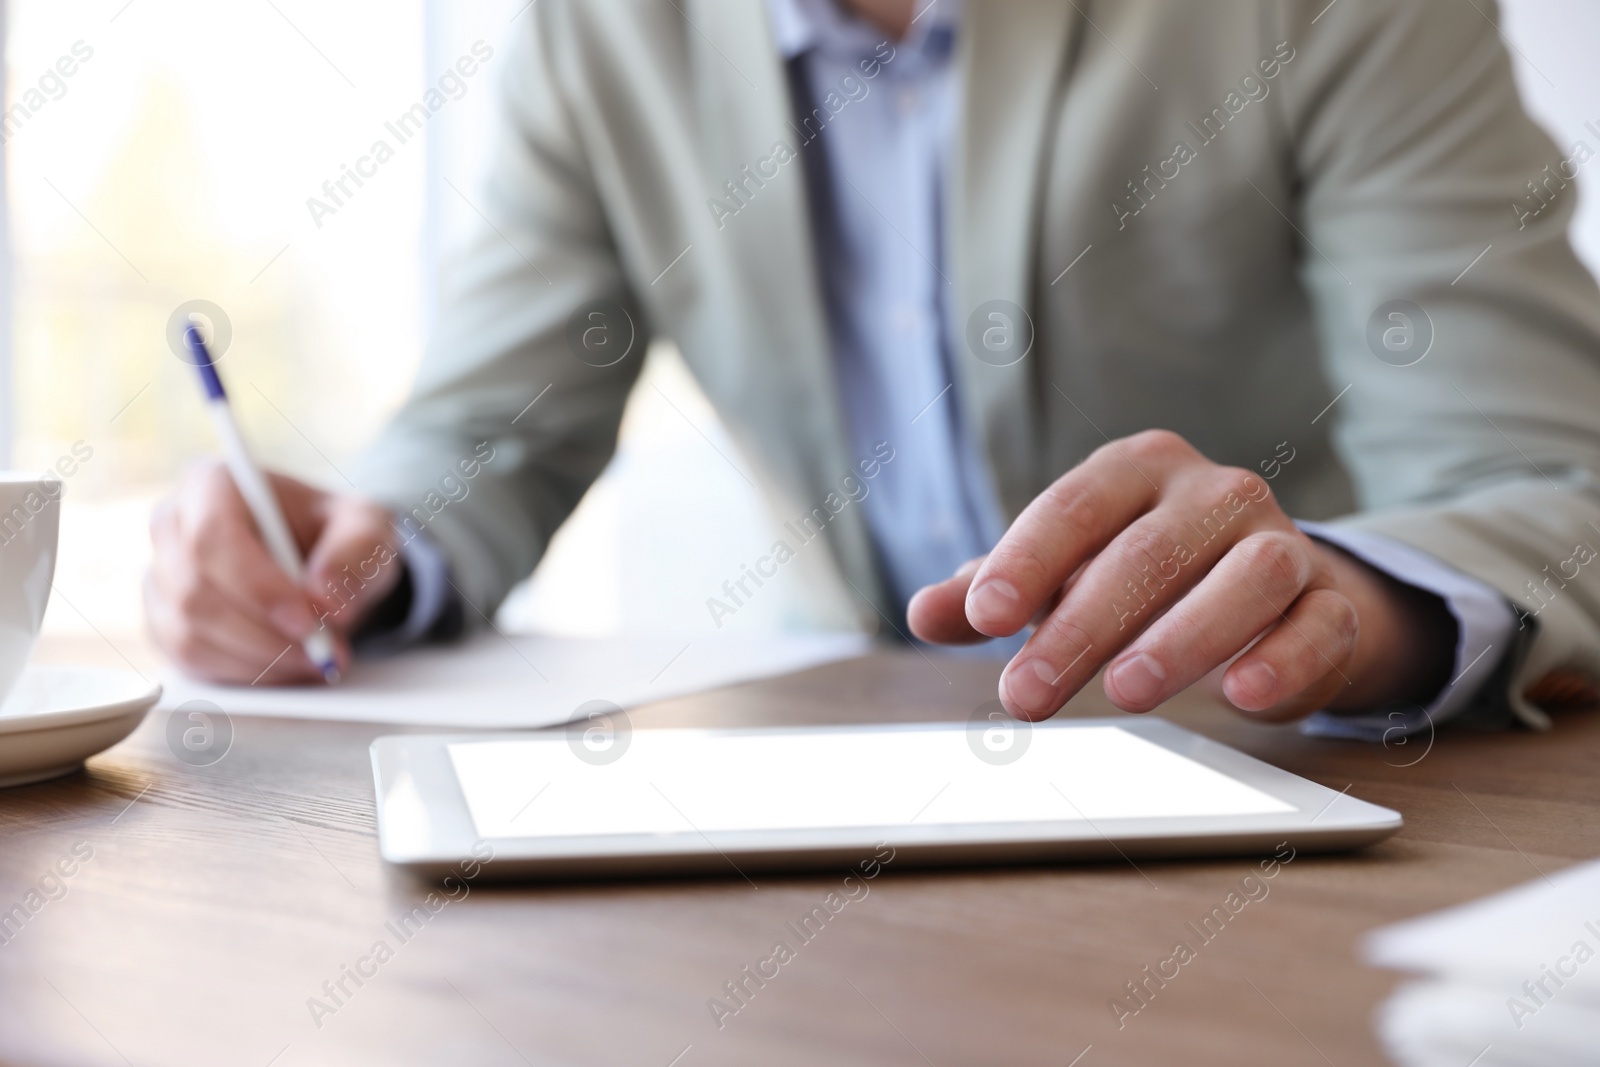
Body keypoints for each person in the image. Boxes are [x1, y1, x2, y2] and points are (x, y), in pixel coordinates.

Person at [146, 0, 1600, 740]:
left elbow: (1554, 481)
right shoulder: (599, 30)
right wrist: (354, 555)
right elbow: (486, 428)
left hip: (1277, 774)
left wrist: (1351, 597)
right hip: (846, 798)